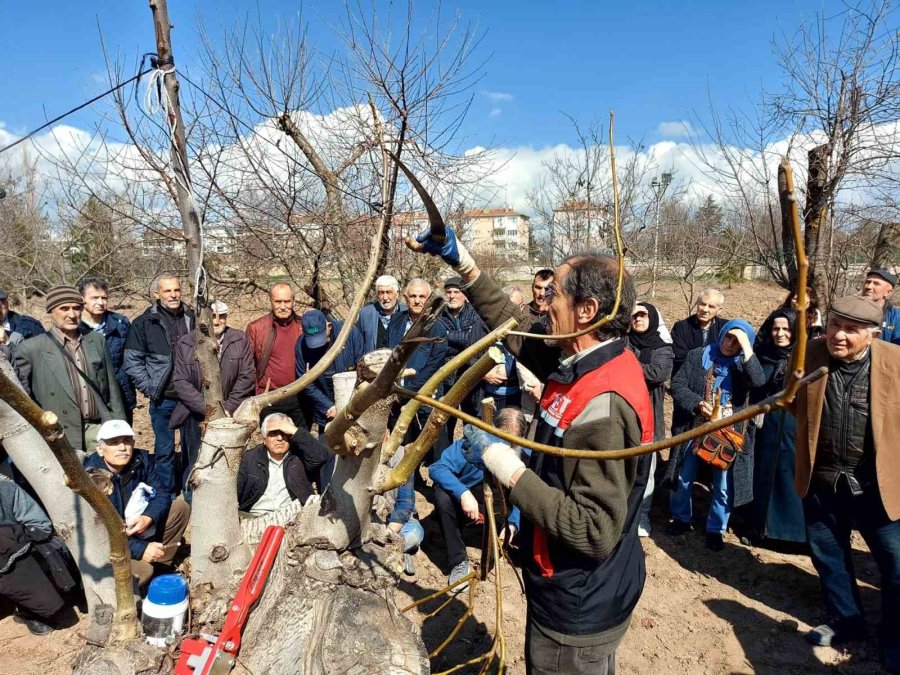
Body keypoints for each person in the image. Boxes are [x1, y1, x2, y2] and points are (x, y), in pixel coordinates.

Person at [413, 226, 653, 675]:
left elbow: (593, 529)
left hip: (577, 603)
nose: (542, 304)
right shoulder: (583, 358)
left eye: (554, 295)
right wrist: (464, 263)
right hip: (569, 584)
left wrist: (505, 466)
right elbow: (520, 331)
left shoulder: (604, 403)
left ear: (587, 310)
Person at [792, 295, 900, 672]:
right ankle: (847, 619)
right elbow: (791, 402)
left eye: (851, 330)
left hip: (878, 486)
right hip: (823, 482)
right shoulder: (810, 354)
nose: (838, 335)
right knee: (829, 556)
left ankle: (895, 637)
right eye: (835, 324)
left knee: (896, 564)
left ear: (873, 334)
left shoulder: (895, 362)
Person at [666, 319, 765, 551]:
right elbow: (678, 385)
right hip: (696, 427)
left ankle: (716, 529)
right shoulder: (698, 356)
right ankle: (681, 518)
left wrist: (747, 348)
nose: (730, 344)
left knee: (723, 484)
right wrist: (698, 403)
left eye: (737, 341)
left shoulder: (744, 365)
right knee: (684, 475)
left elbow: (759, 381)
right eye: (728, 337)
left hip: (729, 433)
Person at [13, 285, 126, 454]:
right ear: (51, 311)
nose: (72, 315)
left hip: (98, 428)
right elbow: (21, 396)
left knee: (102, 471)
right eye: (64, 309)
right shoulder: (31, 348)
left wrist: (119, 425)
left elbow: (112, 388)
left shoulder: (96, 340)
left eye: (77, 308)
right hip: (60, 433)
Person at [83, 420, 190, 587]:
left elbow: (162, 493)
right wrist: (140, 549)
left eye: (127, 441)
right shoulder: (91, 477)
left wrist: (149, 516)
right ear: (100, 449)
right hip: (107, 546)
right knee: (142, 573)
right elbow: (98, 533)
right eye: (114, 443)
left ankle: (160, 566)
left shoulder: (140, 461)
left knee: (180, 508)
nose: (122, 447)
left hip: (135, 528)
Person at [429, 407, 524, 588]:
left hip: (500, 508)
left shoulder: (522, 456)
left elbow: (523, 493)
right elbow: (437, 468)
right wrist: (463, 493)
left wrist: (513, 523)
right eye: (502, 440)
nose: (506, 447)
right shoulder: (471, 445)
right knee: (442, 497)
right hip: (470, 502)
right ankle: (458, 561)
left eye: (512, 443)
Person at [170, 301, 255, 498]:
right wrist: (207, 409)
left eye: (222, 316)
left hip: (231, 414)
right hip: (196, 415)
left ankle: (225, 500)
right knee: (197, 460)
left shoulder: (239, 339)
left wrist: (229, 407)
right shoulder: (186, 343)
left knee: (228, 460)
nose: (217, 321)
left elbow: (247, 376)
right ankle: (194, 501)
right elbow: (181, 381)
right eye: (212, 316)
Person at [124, 274, 194, 492]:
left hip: (191, 397)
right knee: (164, 450)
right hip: (164, 398)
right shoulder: (144, 323)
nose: (173, 295)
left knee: (193, 448)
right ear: (157, 294)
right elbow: (133, 361)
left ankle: (190, 491)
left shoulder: (192, 317)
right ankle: (166, 493)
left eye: (176, 290)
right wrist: (150, 387)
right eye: (167, 291)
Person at [743, 308, 806, 546]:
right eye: (776, 328)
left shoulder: (805, 357)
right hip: (765, 424)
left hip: (792, 425)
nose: (780, 333)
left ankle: (790, 534)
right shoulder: (763, 354)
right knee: (762, 473)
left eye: (786, 329)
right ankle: (758, 527)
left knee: (789, 475)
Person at [626, 302, 674, 537]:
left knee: (646, 469)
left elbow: (658, 373)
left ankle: (642, 514)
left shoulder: (663, 348)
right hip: (625, 413)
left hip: (649, 417)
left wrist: (627, 363)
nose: (638, 319)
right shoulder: (623, 341)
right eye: (634, 316)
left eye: (643, 315)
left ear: (652, 318)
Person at [385, 279, 449, 447]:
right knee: (399, 450)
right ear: (406, 298)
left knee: (428, 451)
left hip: (424, 400)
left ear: (429, 299)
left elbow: (432, 368)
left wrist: (403, 394)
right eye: (413, 296)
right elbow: (388, 355)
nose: (417, 301)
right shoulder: (395, 321)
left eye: (422, 296)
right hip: (395, 400)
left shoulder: (438, 329)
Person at [0, 475, 67, 635]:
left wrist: (10, 537)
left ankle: (26, 610)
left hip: (13, 555)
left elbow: (40, 526)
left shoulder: (5, 488)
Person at [237, 413, 331, 516]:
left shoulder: (300, 456)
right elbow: (234, 493)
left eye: (284, 433)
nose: (280, 438)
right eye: (273, 433)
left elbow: (321, 457)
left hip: (293, 517)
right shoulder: (249, 459)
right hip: (255, 516)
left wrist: (295, 430)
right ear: (264, 439)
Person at [245, 283, 306, 428]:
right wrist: (259, 393)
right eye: (278, 301)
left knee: (301, 439)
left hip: (300, 398)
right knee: (274, 439)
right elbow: (248, 366)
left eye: (287, 301)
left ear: (293, 301)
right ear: (271, 301)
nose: (283, 306)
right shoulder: (256, 328)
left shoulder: (303, 326)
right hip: (270, 398)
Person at [78, 276, 136, 423]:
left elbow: (131, 358)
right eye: (94, 298)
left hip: (121, 393)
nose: (100, 302)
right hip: (88, 396)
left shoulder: (120, 323)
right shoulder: (74, 327)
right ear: (82, 299)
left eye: (104, 298)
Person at [670, 289, 727, 435]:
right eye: (702, 304)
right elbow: (680, 356)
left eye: (711, 306)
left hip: (716, 393)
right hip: (687, 390)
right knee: (683, 434)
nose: (705, 309)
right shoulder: (681, 327)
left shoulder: (725, 329)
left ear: (719, 309)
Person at [296, 309, 366, 430]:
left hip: (353, 406)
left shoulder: (349, 333)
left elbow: (363, 369)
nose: (318, 345)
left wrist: (350, 404)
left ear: (329, 326)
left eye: (321, 337)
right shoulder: (301, 345)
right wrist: (328, 406)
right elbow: (305, 382)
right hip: (326, 411)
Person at [439, 276, 488, 430]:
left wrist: (448, 335)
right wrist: (463, 341)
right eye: (448, 292)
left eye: (456, 292)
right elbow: (439, 343)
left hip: (471, 375)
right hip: (448, 378)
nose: (452, 296)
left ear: (465, 294)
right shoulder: (439, 315)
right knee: (445, 421)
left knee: (473, 421)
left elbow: (475, 341)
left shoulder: (475, 313)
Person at [355, 275, 406, 353]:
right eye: (381, 293)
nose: (385, 298)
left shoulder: (406, 313)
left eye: (388, 292)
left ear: (397, 294)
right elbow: (357, 343)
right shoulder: (366, 314)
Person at [860, 268, 899, 345]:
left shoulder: (896, 318)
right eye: (868, 282)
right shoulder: (850, 310)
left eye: (876, 283)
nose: (869, 286)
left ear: (888, 292)